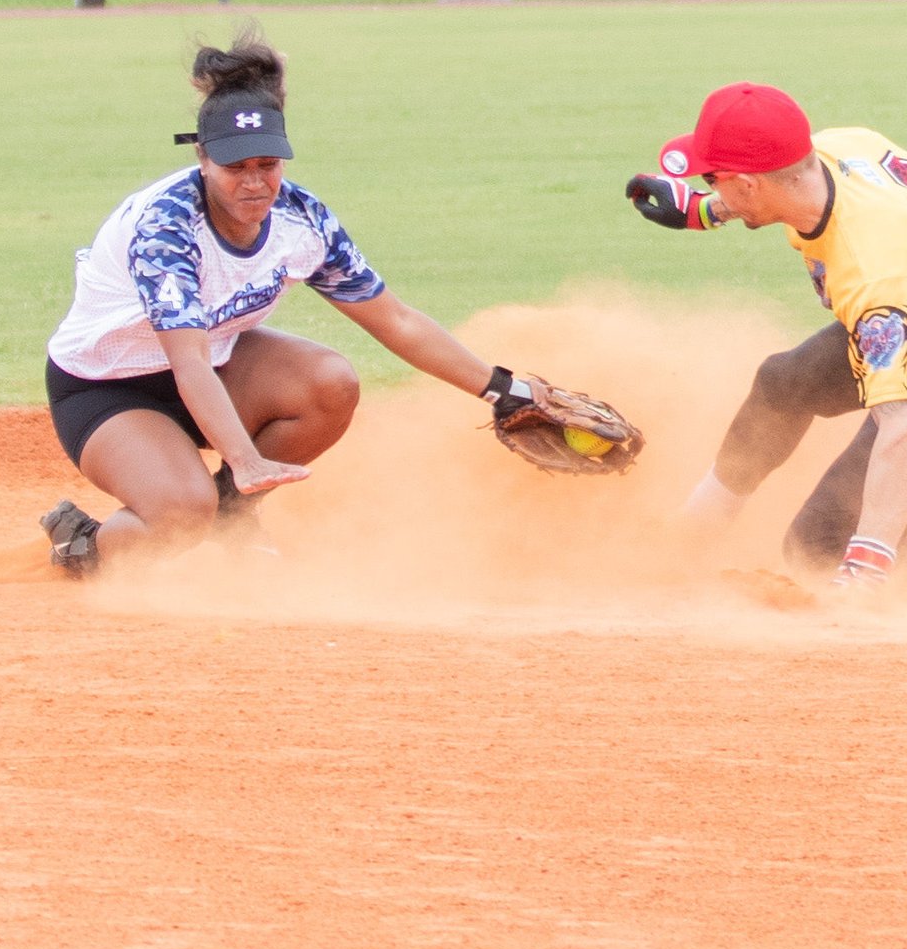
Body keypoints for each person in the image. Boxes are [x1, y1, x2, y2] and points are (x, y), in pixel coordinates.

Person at [40, 32, 553, 577]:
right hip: (108, 388)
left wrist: (504, 391)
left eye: (268, 163)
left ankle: (232, 516)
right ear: (202, 157)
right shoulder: (167, 231)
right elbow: (187, 364)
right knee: (183, 513)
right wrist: (244, 459)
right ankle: (83, 546)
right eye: (236, 166)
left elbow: (396, 320)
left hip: (215, 363)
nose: (255, 182)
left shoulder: (300, 221)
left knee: (330, 382)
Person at [625, 81, 907, 590]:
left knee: (821, 543)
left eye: (713, 178)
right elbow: (780, 182)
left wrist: (866, 573)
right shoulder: (835, 150)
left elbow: (905, 430)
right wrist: (706, 210)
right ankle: (695, 534)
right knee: (783, 384)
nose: (710, 186)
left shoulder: (875, 271)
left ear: (748, 184)